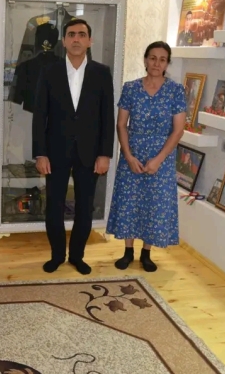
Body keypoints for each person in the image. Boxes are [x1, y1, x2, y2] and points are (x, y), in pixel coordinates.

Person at [32, 18, 115, 275]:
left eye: (81, 34)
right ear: (64, 41)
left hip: (90, 153)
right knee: (54, 206)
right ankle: (57, 255)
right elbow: (40, 116)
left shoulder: (102, 73)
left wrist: (105, 154)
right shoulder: (49, 71)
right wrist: (40, 153)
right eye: (71, 34)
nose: (76, 39)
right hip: (55, 152)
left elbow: (107, 117)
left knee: (85, 207)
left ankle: (77, 256)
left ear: (90, 41)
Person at [106, 41, 186, 272]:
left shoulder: (175, 91)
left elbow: (178, 130)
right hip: (132, 154)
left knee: (154, 204)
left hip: (162, 157)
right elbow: (121, 125)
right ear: (145, 60)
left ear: (167, 64)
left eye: (162, 59)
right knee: (129, 202)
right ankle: (128, 251)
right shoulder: (130, 88)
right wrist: (128, 156)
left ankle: (146, 253)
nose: (156, 63)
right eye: (152, 58)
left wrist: (159, 159)